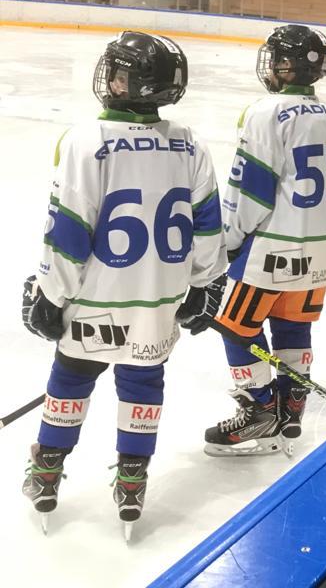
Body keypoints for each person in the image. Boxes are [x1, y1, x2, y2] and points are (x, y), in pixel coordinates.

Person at [20, 32, 226, 539]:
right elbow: (208, 224)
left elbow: (68, 232)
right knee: (142, 384)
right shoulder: (189, 143)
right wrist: (203, 285)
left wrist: (50, 295)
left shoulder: (86, 140)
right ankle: (132, 479)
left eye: (117, 71)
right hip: (156, 302)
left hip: (94, 301)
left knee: (69, 380)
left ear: (127, 83)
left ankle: (47, 470)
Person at [204, 24, 326, 457]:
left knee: (232, 325)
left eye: (276, 58)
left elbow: (250, 191)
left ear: (289, 66)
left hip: (272, 249)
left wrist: (226, 242)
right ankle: (293, 403)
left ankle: (261, 411)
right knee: (292, 322)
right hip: (322, 244)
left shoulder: (265, 112)